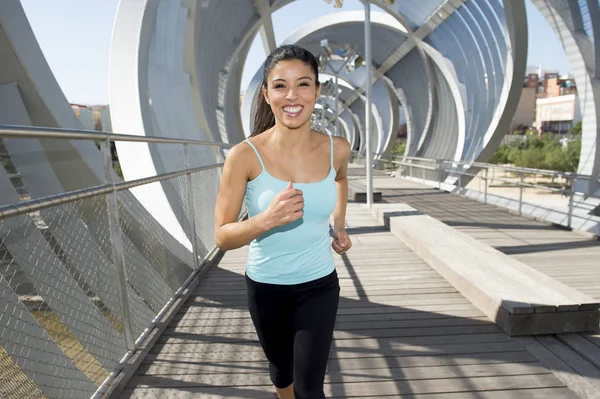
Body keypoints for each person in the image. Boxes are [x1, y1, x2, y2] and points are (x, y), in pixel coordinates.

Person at [214, 44, 352, 399]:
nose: (292, 95)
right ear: (266, 93)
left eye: (303, 84)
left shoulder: (338, 148)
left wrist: (340, 223)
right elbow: (223, 237)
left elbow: (339, 179)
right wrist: (267, 220)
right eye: (280, 85)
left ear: (318, 91)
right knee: (281, 376)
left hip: (319, 285)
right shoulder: (244, 156)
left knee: (309, 390)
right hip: (266, 288)